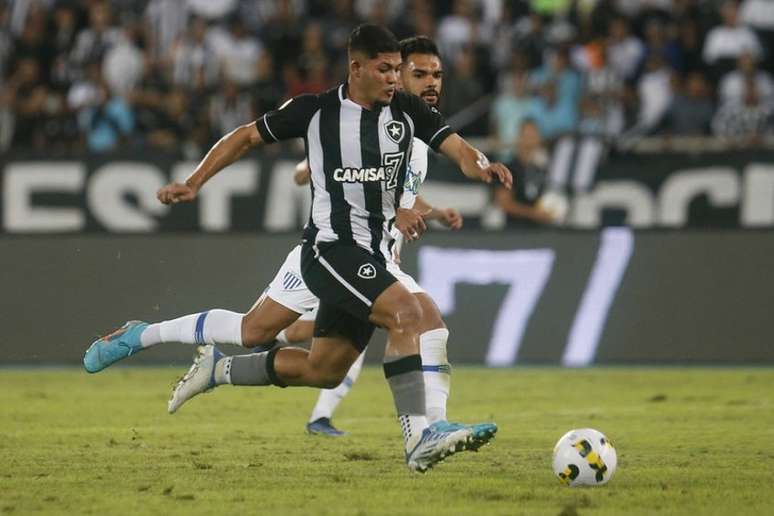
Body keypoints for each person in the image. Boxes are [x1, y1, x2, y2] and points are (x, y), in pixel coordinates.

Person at [84, 24, 512, 473]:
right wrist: (193, 183)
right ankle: (424, 435)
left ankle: (213, 369)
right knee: (412, 317)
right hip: (332, 250)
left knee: (319, 367)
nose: (393, 78)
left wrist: (482, 167)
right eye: (386, 69)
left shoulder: (407, 113)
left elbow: (458, 148)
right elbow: (246, 136)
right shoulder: (316, 111)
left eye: (397, 70)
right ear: (357, 67)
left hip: (376, 256)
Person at [285, 36, 464, 437]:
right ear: (395, 75)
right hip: (341, 249)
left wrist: (430, 212)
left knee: (331, 349)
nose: (431, 83)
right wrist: (308, 169)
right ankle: (431, 426)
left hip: (376, 254)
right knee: (421, 321)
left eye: (437, 74)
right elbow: (321, 164)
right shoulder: (361, 125)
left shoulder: (415, 134)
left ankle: (321, 414)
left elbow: (399, 194)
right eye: (419, 74)